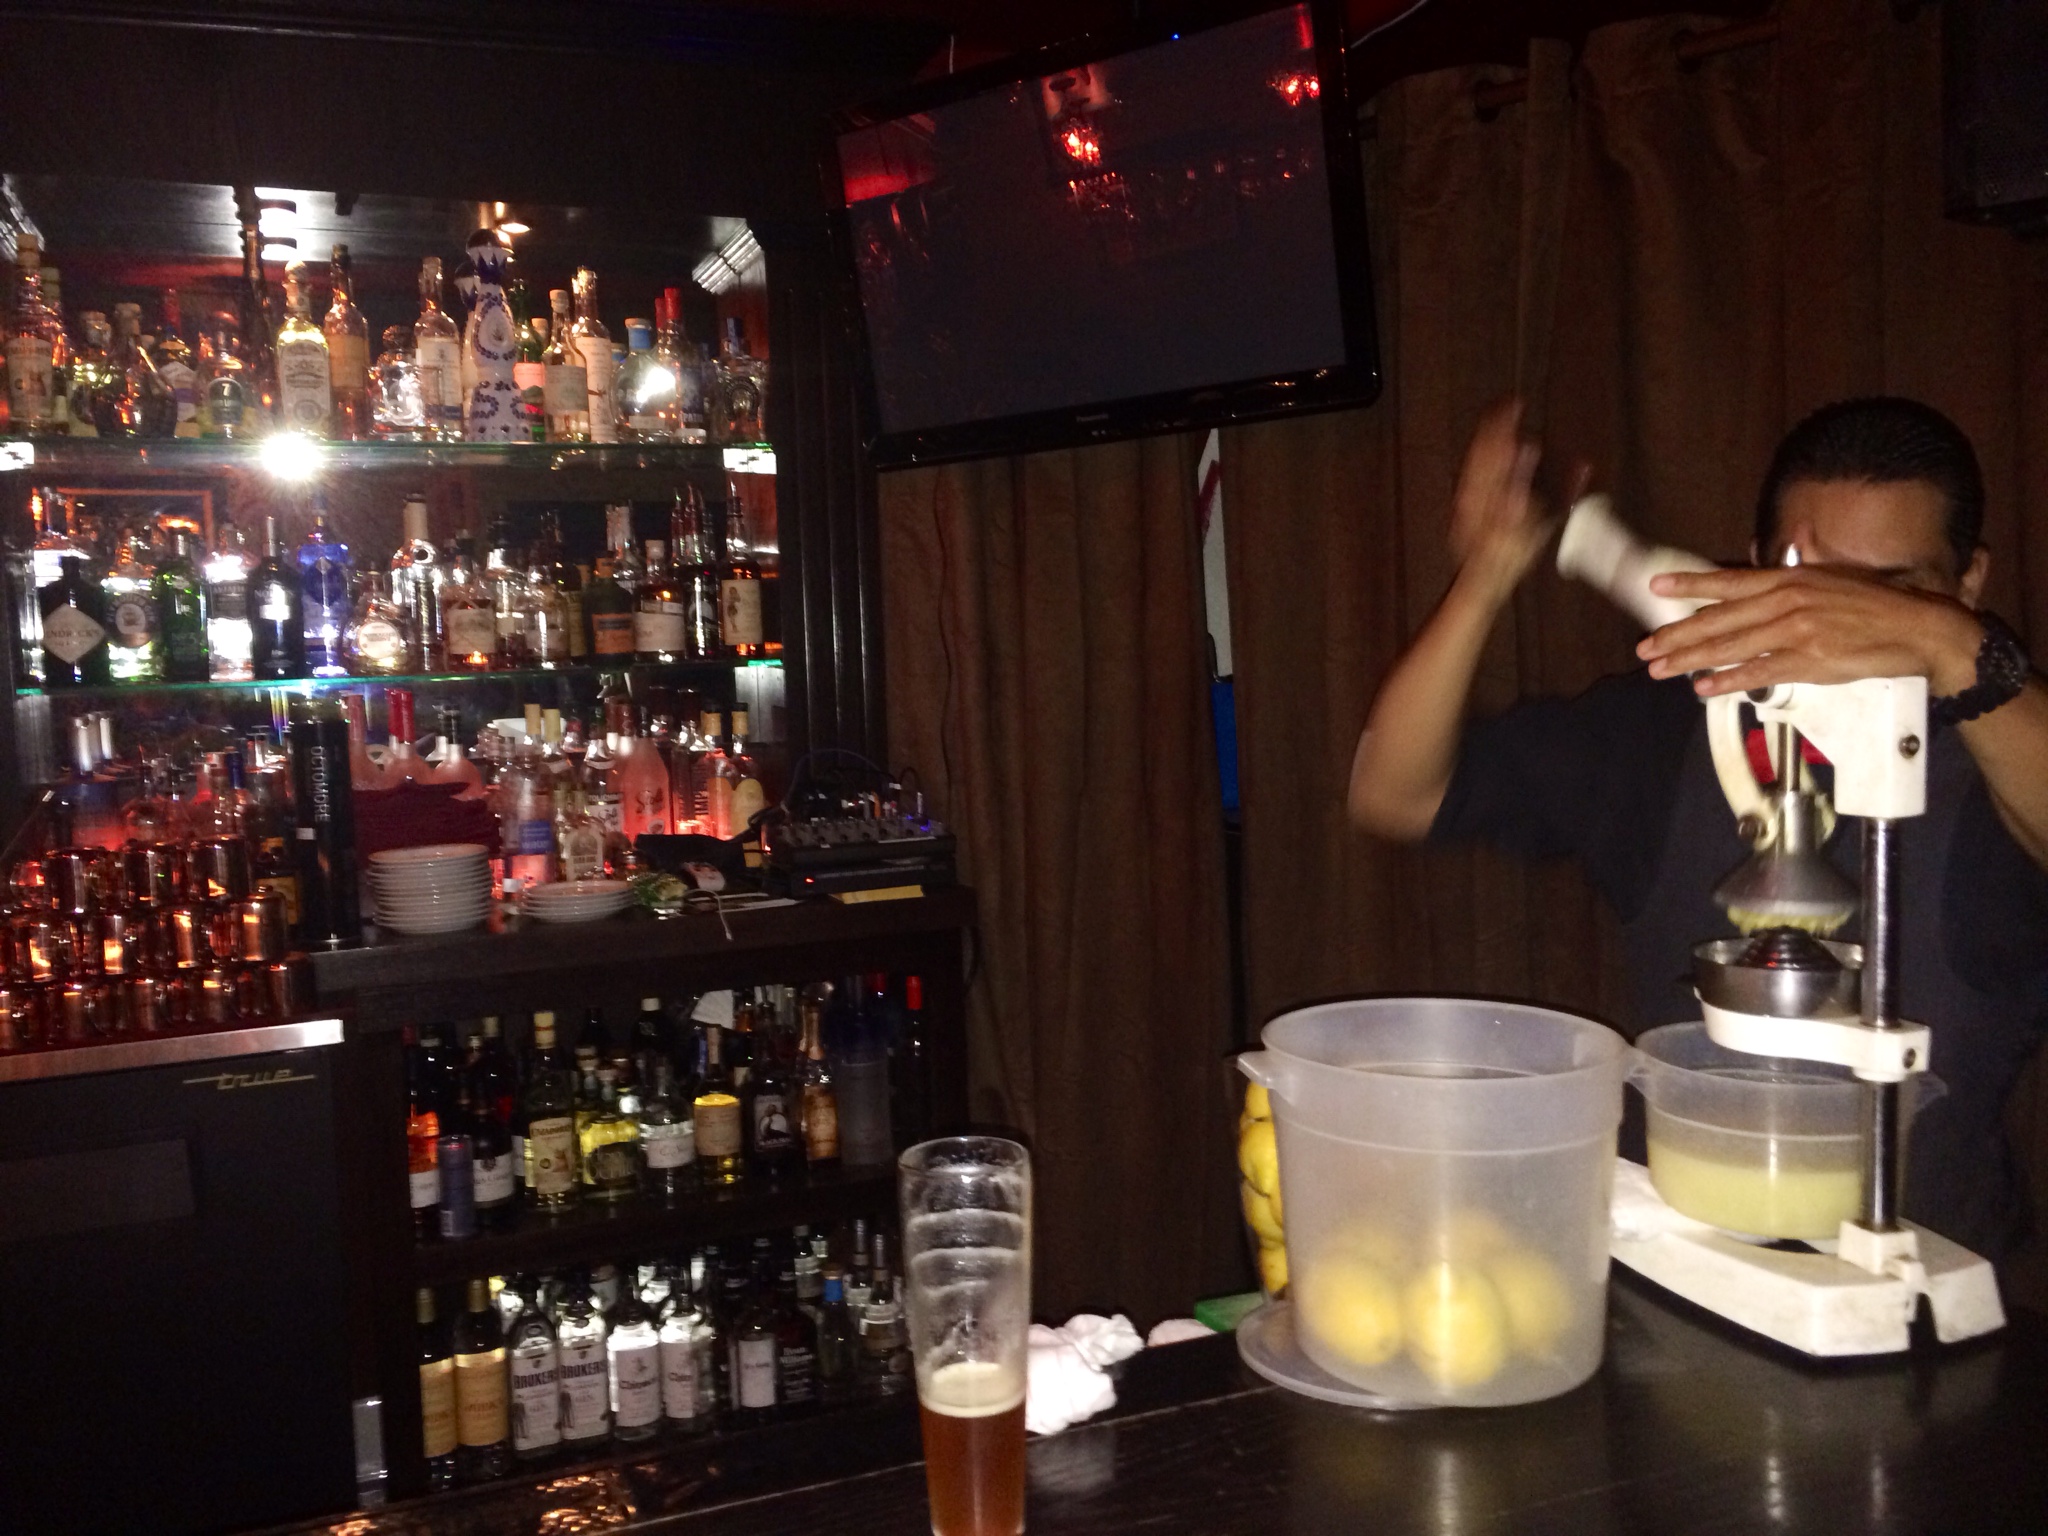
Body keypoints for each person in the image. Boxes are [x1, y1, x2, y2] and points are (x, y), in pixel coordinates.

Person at [1349, 396, 2048, 1259]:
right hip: (1684, 1263)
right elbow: (1395, 793)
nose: (1837, 624)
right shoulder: (1664, 736)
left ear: (1967, 585)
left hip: (1929, 1278)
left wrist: (1956, 655)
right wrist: (1484, 579)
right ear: (1755, 566)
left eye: (1893, 593)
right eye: (1808, 586)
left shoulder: (2009, 751)